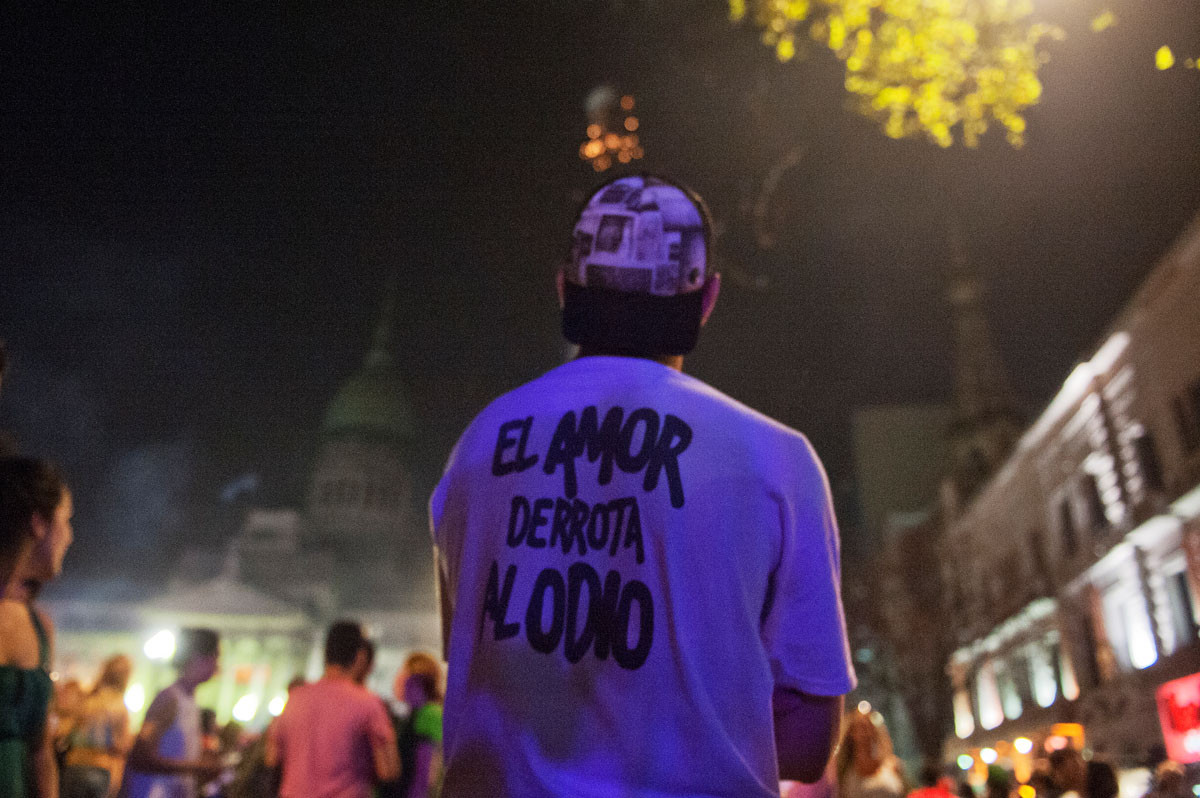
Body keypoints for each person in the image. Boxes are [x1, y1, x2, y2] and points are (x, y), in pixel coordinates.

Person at [430, 174, 856, 797]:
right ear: (707, 300)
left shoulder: (476, 448)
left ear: (563, 289)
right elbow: (808, 742)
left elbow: (486, 671)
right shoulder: (777, 461)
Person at [1, 456, 74, 798]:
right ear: (38, 523)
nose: (70, 537)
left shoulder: (40, 626)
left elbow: (40, 751)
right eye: (67, 521)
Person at [266, 620, 398, 798]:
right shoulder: (368, 702)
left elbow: (272, 758)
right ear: (360, 656)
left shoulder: (295, 698)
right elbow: (388, 770)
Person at [122, 628, 222, 798]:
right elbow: (140, 756)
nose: (217, 666)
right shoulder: (169, 699)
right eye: (215, 658)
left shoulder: (189, 700)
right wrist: (197, 767)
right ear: (198, 658)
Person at [61, 654, 134, 798]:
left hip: (74, 764)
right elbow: (122, 745)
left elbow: (66, 732)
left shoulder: (88, 698)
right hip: (101, 767)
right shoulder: (119, 705)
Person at [383, 652, 444, 798]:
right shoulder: (412, 714)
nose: (397, 678)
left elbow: (426, 775)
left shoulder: (430, 713)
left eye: (403, 672)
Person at [835, 710, 906, 798]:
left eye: (869, 726)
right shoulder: (843, 770)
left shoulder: (891, 764)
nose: (865, 732)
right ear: (851, 733)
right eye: (861, 727)